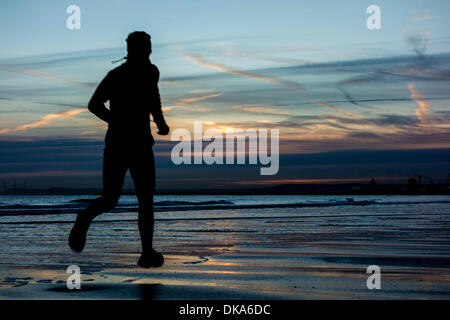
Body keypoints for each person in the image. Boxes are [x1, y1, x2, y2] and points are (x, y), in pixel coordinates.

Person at [69, 31, 169, 268]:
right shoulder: (116, 75)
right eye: (144, 46)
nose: (148, 50)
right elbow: (94, 104)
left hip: (141, 142)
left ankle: (146, 252)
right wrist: (116, 121)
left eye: (149, 46)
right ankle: (84, 217)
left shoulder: (151, 71)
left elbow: (153, 98)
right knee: (113, 199)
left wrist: (161, 122)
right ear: (133, 49)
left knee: (145, 199)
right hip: (120, 143)